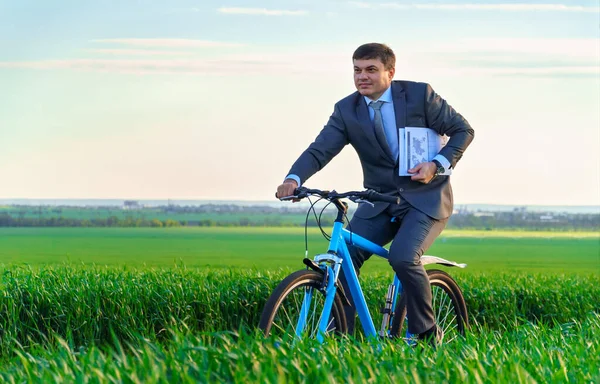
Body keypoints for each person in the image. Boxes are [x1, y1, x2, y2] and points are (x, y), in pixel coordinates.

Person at [275, 43, 474, 345]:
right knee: (345, 255)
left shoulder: (419, 95)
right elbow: (320, 149)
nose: (362, 77)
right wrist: (293, 178)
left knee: (404, 257)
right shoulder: (347, 109)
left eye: (371, 69)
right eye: (357, 70)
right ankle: (340, 334)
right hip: (379, 201)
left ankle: (426, 333)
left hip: (425, 199)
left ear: (390, 72)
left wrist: (437, 164)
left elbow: (463, 130)